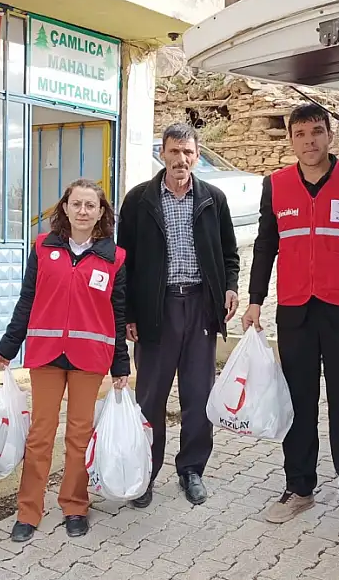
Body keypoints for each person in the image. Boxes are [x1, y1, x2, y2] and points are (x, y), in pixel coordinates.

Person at [241, 104, 339, 538]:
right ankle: (299, 489)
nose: (309, 141)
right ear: (291, 140)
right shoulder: (275, 186)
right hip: (295, 311)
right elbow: (264, 246)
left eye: (317, 132)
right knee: (298, 405)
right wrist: (255, 299)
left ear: (329, 135)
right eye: (301, 134)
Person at [0, 178, 130, 543]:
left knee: (79, 436)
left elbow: (117, 314)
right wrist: (6, 348)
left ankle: (75, 506)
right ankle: (28, 511)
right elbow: (26, 301)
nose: (83, 211)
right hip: (47, 355)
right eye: (76, 204)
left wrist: (120, 366)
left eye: (90, 205)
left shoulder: (114, 258)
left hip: (89, 358)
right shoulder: (42, 248)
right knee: (40, 436)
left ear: (101, 213)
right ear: (65, 208)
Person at [117, 123, 240, 508]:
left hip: (201, 307)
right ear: (163, 154)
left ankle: (191, 470)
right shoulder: (139, 200)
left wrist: (231, 287)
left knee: (198, 394)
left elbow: (230, 254)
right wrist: (130, 314)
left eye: (188, 153)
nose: (181, 160)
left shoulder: (213, 199)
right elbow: (126, 262)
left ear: (197, 155)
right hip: (158, 309)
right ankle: (146, 471)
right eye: (174, 152)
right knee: (150, 396)